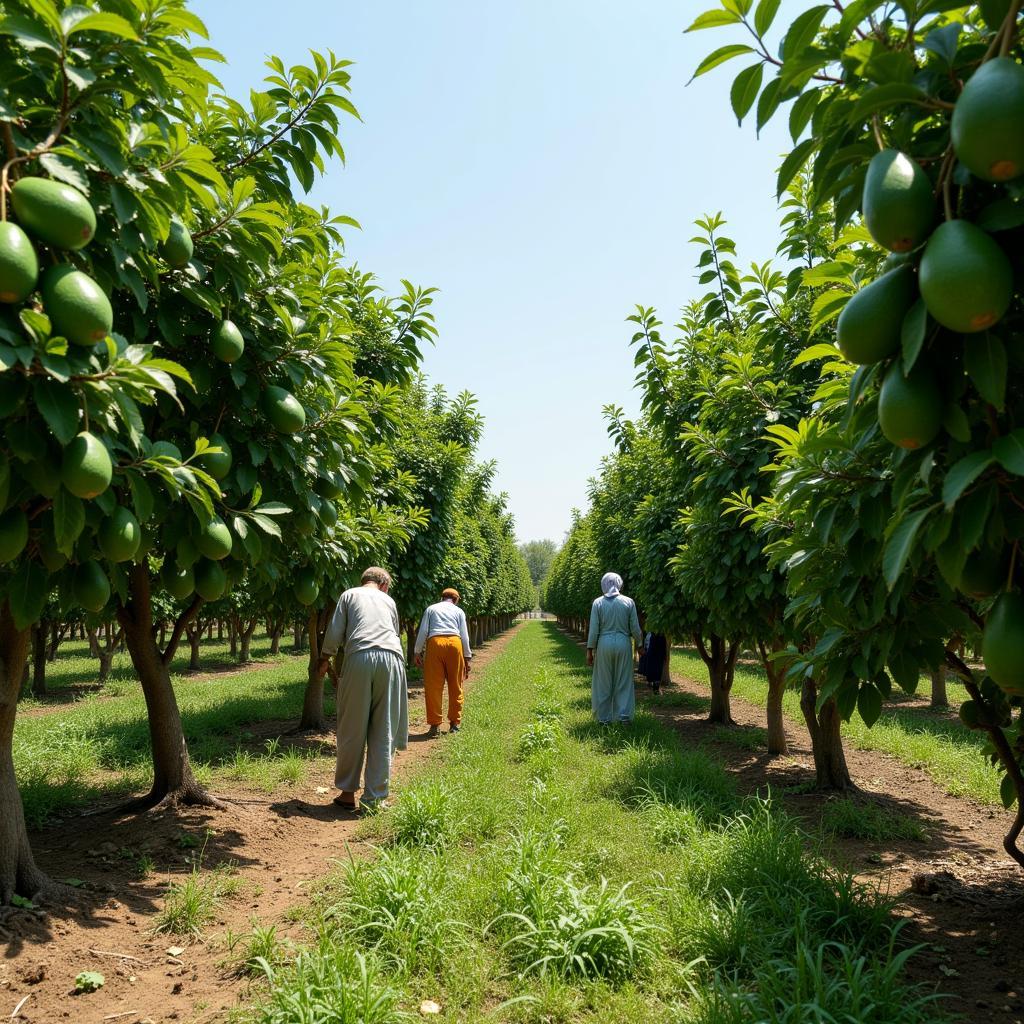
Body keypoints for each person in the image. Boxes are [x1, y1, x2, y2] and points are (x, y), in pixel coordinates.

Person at [317, 566, 408, 811]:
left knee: (352, 728)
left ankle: (347, 794)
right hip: (392, 660)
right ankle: (374, 798)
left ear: (364, 580)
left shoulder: (349, 595)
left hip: (360, 657)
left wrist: (325, 658)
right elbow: (394, 632)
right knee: (384, 728)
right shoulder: (388, 601)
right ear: (384, 585)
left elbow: (335, 631)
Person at [414, 587, 472, 737]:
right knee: (456, 685)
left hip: (435, 643)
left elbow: (423, 631)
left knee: (433, 686)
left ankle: (434, 725)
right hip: (454, 643)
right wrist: (467, 657)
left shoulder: (431, 609)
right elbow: (464, 636)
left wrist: (417, 651)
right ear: (456, 600)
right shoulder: (459, 611)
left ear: (442, 597)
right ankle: (454, 724)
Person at [587, 572, 643, 724]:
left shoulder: (598, 603)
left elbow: (593, 629)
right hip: (624, 643)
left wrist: (590, 650)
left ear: (604, 584)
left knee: (603, 681)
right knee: (624, 681)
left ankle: (603, 719)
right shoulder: (629, 602)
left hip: (604, 643)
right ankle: (624, 717)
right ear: (619, 583)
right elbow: (635, 627)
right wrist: (639, 644)